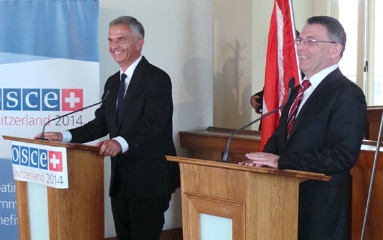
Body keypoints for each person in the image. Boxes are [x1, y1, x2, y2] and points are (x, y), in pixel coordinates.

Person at [35, 16, 180, 240]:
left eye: (121, 39)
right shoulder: (113, 82)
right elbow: (102, 123)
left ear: (139, 42)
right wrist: (63, 136)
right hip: (121, 181)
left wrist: (119, 142)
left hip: (150, 180)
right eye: (110, 40)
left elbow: (154, 124)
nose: (114, 46)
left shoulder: (157, 78)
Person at [240, 16, 366, 240]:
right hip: (284, 202)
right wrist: (261, 159)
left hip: (319, 208)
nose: (300, 47)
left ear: (335, 50)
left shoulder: (347, 94)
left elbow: (342, 155)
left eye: (311, 41)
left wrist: (282, 162)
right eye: (299, 40)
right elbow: (281, 137)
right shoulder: (298, 90)